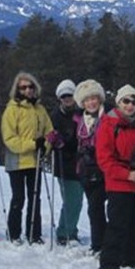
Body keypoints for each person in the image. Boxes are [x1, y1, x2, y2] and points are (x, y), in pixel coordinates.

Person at [96, 84, 135, 269]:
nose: (130, 105)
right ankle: (109, 262)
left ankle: (131, 258)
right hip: (119, 184)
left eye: (134, 102)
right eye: (126, 101)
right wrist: (126, 174)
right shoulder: (108, 124)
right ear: (118, 102)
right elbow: (104, 159)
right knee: (117, 224)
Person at [1, 71, 53, 244]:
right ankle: (14, 233)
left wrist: (45, 146)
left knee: (35, 197)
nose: (28, 90)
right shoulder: (12, 110)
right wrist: (33, 144)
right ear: (17, 89)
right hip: (16, 161)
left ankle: (34, 234)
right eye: (23, 87)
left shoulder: (40, 109)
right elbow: (9, 138)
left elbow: (49, 132)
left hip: (35, 161)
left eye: (30, 86)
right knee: (18, 197)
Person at [72, 79, 108, 255]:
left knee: (97, 206)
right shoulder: (78, 121)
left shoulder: (107, 119)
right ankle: (98, 243)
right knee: (94, 208)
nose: (91, 102)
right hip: (86, 169)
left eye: (94, 98)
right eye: (87, 100)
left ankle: (101, 244)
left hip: (104, 170)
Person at [47, 79, 84, 245]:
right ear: (59, 98)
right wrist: (56, 141)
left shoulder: (82, 113)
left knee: (75, 199)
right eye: (63, 96)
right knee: (72, 199)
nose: (67, 98)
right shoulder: (56, 116)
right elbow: (51, 135)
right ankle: (65, 232)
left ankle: (70, 229)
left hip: (82, 161)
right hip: (65, 163)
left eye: (70, 95)